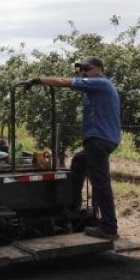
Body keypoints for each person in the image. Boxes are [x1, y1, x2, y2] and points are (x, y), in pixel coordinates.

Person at [27, 56, 121, 240]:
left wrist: (40, 80)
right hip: (102, 139)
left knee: (101, 184)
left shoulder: (100, 83)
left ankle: (109, 228)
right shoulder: (97, 88)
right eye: (81, 70)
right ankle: (75, 205)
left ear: (99, 69)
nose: (83, 73)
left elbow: (64, 82)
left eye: (86, 69)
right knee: (79, 161)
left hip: (98, 139)